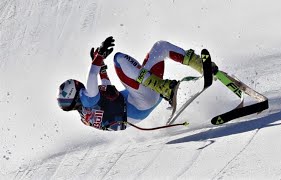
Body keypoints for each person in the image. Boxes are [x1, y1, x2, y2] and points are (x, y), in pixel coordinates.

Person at [57, 36, 206, 131]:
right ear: (76, 91)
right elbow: (91, 75)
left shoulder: (86, 113)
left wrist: (101, 66)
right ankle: (165, 87)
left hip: (145, 101)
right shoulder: (87, 99)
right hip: (141, 100)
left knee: (161, 47)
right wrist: (99, 56)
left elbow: (106, 89)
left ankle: (203, 67)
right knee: (119, 59)